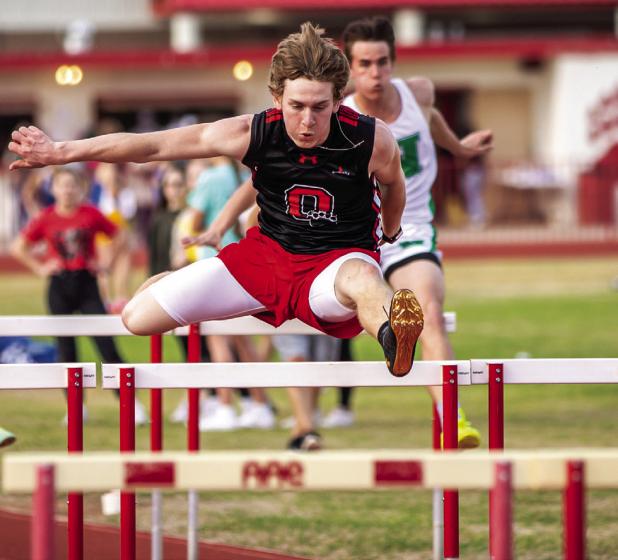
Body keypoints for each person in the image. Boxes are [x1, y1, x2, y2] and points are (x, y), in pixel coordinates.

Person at [8, 23, 423, 379]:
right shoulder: (251, 132)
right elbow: (151, 147)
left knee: (363, 281)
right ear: (276, 97)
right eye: (297, 106)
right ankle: (173, 284)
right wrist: (62, 151)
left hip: (336, 261)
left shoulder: (370, 138)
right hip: (265, 259)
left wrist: (389, 231)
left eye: (320, 107)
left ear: (338, 99)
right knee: (136, 319)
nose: (308, 121)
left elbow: (394, 184)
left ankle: (394, 336)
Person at [341, 16, 493, 447]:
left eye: (383, 62)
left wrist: (460, 148)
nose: (375, 74)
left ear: (394, 60)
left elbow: (432, 119)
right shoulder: (340, 115)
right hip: (358, 234)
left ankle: (454, 418)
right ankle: (307, 420)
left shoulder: (419, 92)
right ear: (350, 67)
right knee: (327, 323)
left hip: (411, 228)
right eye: (365, 64)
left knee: (425, 306)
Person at [10, 166, 148, 425]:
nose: (67, 190)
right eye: (62, 185)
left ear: (80, 188)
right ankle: (75, 409)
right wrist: (41, 267)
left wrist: (105, 264)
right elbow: (19, 247)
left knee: (107, 346)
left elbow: (120, 236)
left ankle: (131, 405)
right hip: (59, 286)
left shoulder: (91, 213)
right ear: (53, 189)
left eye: (72, 185)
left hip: (87, 283)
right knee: (66, 351)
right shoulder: (46, 217)